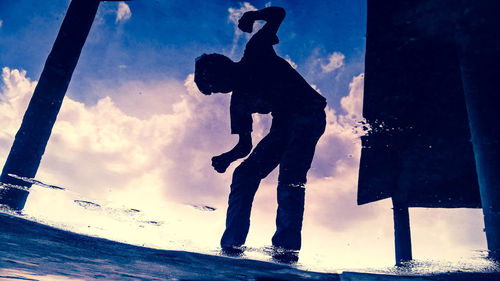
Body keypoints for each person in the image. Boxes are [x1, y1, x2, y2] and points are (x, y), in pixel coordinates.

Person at [194, 6, 326, 263]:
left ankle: (286, 249)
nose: (220, 92)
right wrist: (226, 157)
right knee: (244, 173)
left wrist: (253, 15)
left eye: (215, 87)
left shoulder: (256, 52)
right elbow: (244, 146)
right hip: (283, 125)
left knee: (290, 176)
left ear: (222, 71)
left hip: (308, 113)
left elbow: (278, 13)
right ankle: (232, 244)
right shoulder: (239, 102)